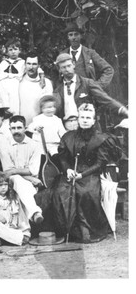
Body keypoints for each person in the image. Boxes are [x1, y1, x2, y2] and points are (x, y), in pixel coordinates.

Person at [51, 103, 120, 243]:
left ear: (94, 120)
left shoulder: (100, 139)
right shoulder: (69, 136)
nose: (84, 120)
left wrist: (82, 175)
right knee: (61, 192)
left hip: (90, 174)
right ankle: (68, 230)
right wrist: (68, 170)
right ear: (78, 119)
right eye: (82, 117)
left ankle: (87, 229)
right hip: (70, 173)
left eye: (88, 117)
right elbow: (63, 158)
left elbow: (100, 164)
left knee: (85, 193)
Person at [53, 53, 128, 121]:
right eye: (63, 67)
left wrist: (122, 110)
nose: (67, 69)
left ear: (74, 64)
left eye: (69, 66)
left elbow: (105, 99)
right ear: (59, 69)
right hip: (67, 126)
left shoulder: (87, 83)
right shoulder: (58, 88)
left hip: (87, 125)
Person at [0, 115, 44, 225]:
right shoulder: (4, 146)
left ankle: (25, 230)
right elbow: (8, 172)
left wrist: (16, 171)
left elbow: (33, 170)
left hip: (30, 183)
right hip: (12, 182)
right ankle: (34, 212)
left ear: (25, 128)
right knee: (17, 180)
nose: (16, 131)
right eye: (13, 128)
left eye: (19, 128)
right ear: (9, 129)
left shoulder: (35, 145)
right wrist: (29, 177)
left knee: (23, 187)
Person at [60, 23, 113, 89]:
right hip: (68, 92)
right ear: (68, 37)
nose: (73, 37)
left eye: (76, 34)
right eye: (71, 35)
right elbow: (56, 75)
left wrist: (97, 86)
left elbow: (108, 70)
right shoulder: (63, 54)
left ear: (81, 36)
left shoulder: (90, 53)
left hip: (86, 94)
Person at [18, 53, 53, 125]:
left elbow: (49, 105)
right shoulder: (19, 83)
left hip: (41, 125)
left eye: (34, 64)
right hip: (23, 126)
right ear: (25, 65)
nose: (31, 67)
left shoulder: (47, 83)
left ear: (38, 66)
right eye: (28, 64)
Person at [0, 38, 25, 115]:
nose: (13, 52)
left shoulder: (22, 63)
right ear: (7, 51)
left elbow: (23, 76)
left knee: (15, 106)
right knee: (5, 107)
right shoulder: (3, 63)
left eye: (15, 49)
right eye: (10, 50)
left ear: (19, 50)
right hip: (4, 87)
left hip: (16, 87)